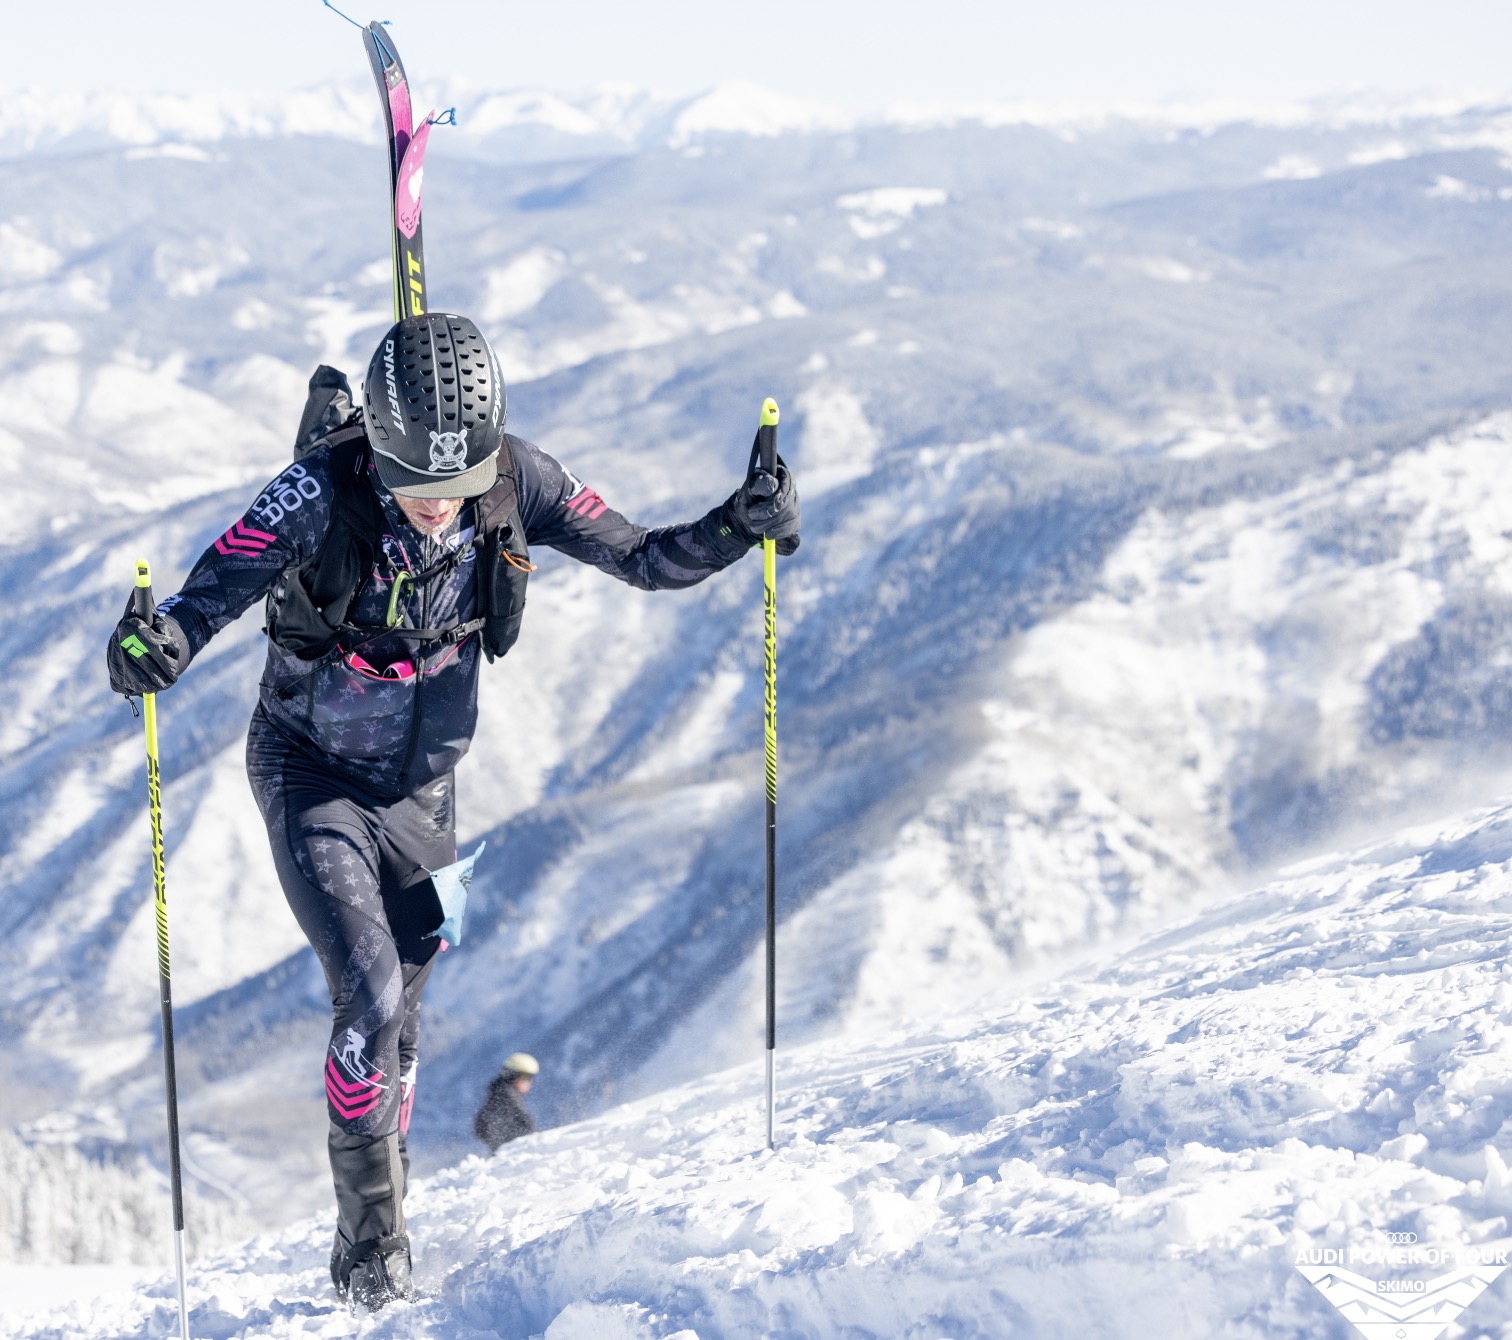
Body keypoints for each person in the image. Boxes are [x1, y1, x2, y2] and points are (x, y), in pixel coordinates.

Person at [105, 312, 800, 1312]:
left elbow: (647, 557)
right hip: (311, 771)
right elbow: (202, 599)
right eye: (415, 483)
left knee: (406, 1024)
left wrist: (741, 523)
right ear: (377, 450)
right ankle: (371, 1248)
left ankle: (388, 1207)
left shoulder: (519, 478)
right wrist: (156, 646)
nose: (440, 505)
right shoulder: (317, 490)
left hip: (428, 789)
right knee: (370, 996)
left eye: (460, 482)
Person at [474, 1051, 539, 1152]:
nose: (530, 1082)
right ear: (514, 1076)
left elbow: (480, 1128)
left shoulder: (498, 1093)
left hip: (504, 1152)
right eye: (526, 1076)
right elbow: (526, 1127)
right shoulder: (507, 1097)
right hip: (513, 1154)